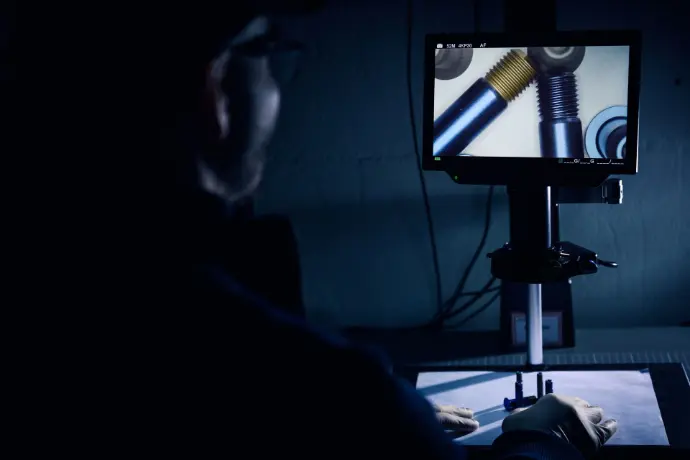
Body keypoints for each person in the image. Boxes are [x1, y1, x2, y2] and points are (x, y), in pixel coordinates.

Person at [142, 2, 618, 458]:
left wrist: (382, 423)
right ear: (213, 92)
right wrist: (540, 440)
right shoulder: (332, 381)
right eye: (265, 53)